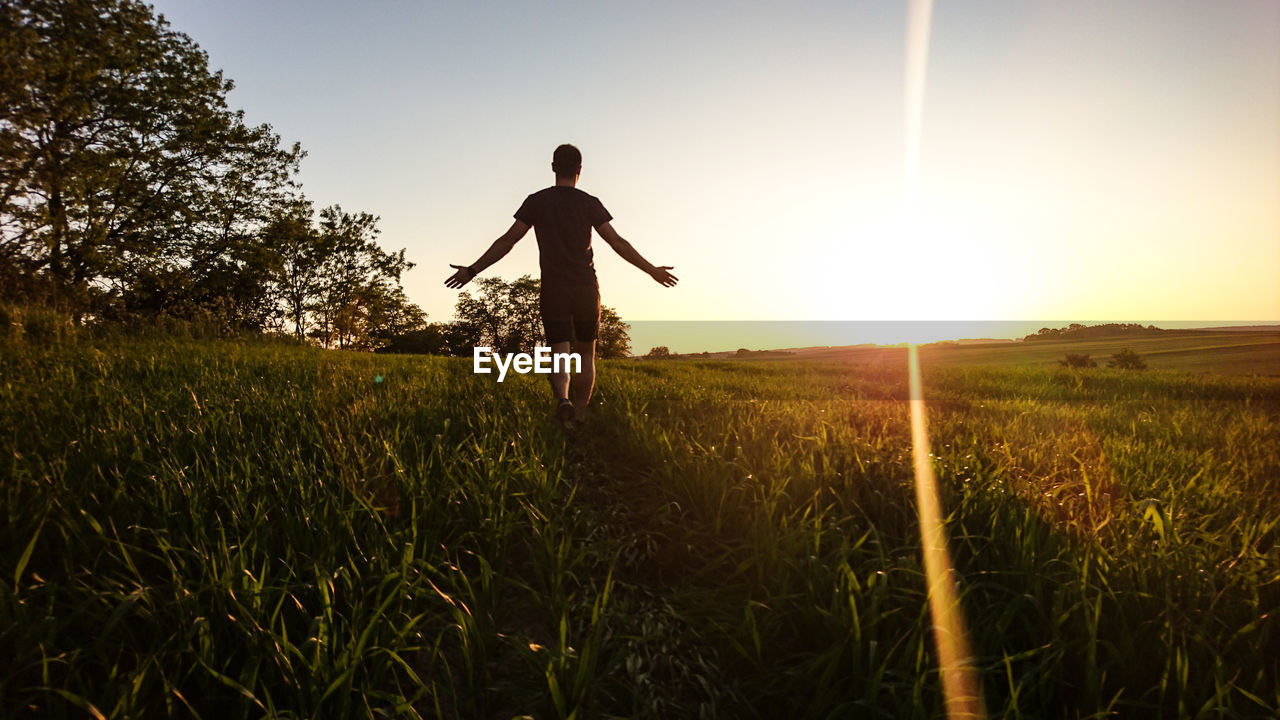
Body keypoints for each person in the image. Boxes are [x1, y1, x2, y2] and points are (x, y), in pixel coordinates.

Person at [445, 144, 678, 425]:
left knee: (559, 353)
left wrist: (472, 270)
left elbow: (507, 241)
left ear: (553, 167)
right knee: (585, 354)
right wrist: (651, 269)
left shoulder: (537, 201)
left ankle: (563, 400)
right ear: (580, 170)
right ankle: (578, 416)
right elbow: (617, 243)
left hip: (554, 289)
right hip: (585, 288)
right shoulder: (590, 203)